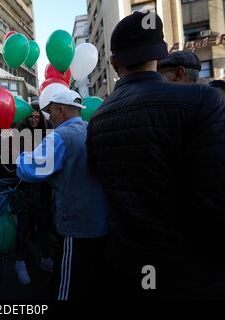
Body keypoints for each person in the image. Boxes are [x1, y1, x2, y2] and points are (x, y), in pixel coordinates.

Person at [87, 12, 225, 299]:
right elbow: (215, 193)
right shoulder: (203, 100)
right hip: (191, 267)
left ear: (114, 63)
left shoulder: (97, 119)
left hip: (127, 262)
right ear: (161, 55)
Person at [16, 90, 109, 300]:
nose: (49, 117)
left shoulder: (60, 136)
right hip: (99, 221)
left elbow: (30, 169)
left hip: (76, 224)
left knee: (66, 288)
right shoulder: (90, 129)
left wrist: (20, 157)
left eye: (50, 112)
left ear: (60, 109)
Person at [13, 102, 54, 285]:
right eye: (31, 116)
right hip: (24, 188)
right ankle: (20, 261)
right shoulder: (18, 135)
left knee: (43, 225)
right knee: (23, 227)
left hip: (43, 189)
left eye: (37, 116)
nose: (34, 119)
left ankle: (46, 258)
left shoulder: (48, 135)